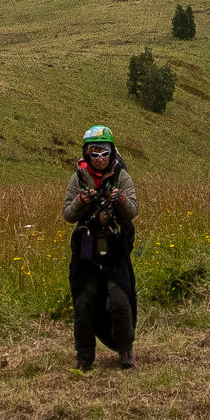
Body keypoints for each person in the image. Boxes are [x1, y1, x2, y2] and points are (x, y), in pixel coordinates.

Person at [61, 124, 138, 371]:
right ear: (86, 154)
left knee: (119, 298)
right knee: (84, 300)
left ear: (112, 152)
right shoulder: (77, 179)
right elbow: (68, 215)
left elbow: (133, 211)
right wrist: (80, 202)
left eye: (104, 151)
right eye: (94, 151)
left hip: (115, 246)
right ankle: (84, 356)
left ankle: (125, 350)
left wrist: (121, 199)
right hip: (86, 248)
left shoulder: (121, 177)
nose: (100, 158)